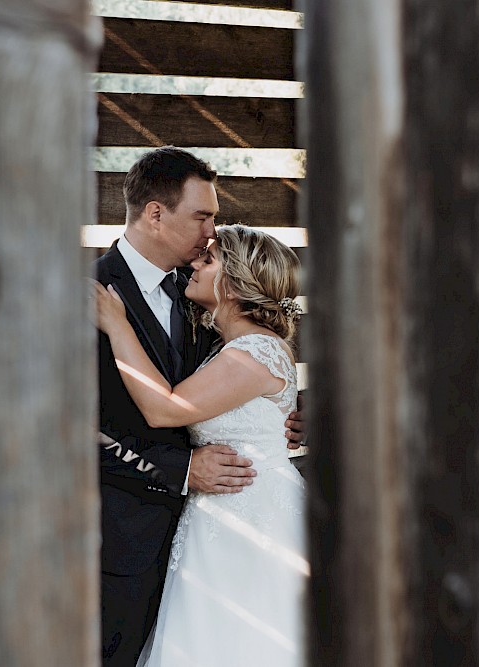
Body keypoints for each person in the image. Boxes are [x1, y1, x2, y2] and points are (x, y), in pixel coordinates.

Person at [95, 147, 304, 666]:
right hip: (119, 546)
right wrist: (183, 468)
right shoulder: (92, 297)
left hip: (234, 528)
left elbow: (226, 384)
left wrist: (287, 411)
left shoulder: (199, 303)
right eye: (203, 217)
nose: (211, 235)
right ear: (156, 213)